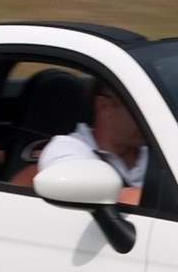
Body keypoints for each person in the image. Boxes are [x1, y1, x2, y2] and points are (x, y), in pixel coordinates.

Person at [10, 81, 147, 205]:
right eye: (140, 109)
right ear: (104, 106)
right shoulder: (67, 149)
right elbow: (120, 200)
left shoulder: (155, 148)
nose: (148, 118)